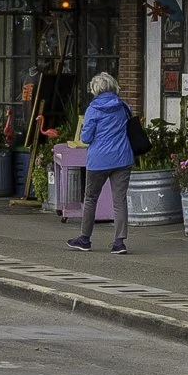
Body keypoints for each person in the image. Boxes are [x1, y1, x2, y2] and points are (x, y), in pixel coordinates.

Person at [69, 70, 136, 254]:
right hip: (123, 158)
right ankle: (119, 242)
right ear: (113, 87)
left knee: (90, 198)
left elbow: (86, 137)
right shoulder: (124, 107)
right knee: (119, 200)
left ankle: (84, 239)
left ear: (95, 89)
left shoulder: (93, 109)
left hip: (98, 160)